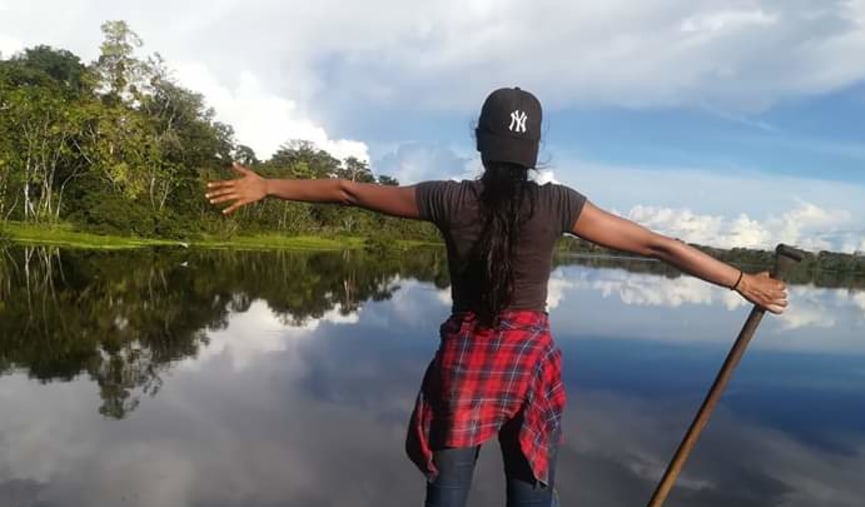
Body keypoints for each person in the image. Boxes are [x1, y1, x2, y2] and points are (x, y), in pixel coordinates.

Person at [205, 87, 789, 507]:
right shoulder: (558, 204)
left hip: (466, 362)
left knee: (449, 489)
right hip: (530, 360)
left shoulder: (448, 198)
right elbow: (657, 246)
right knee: (532, 482)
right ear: (534, 147)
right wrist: (742, 282)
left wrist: (266, 185)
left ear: (481, 142)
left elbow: (347, 192)